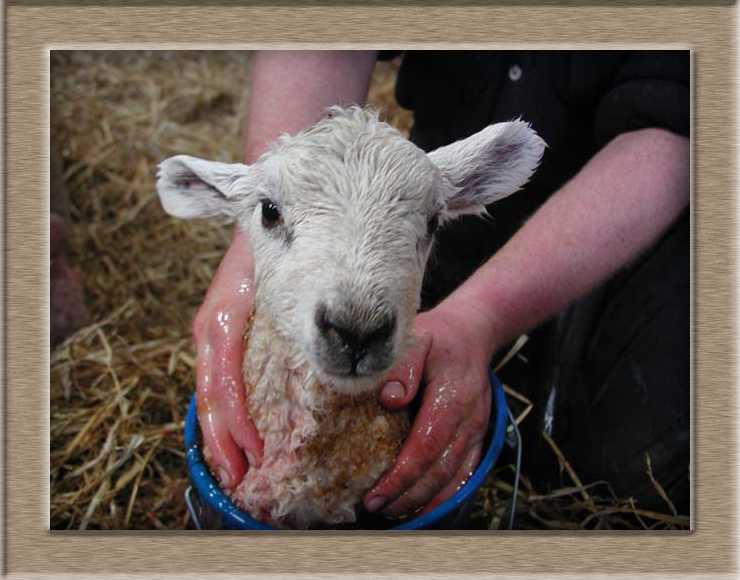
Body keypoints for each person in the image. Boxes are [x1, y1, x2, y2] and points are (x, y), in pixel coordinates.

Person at [193, 50, 690, 520]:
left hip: (619, 225)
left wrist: (479, 316)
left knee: (636, 468)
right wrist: (262, 225)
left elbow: (678, 121)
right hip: (404, 223)